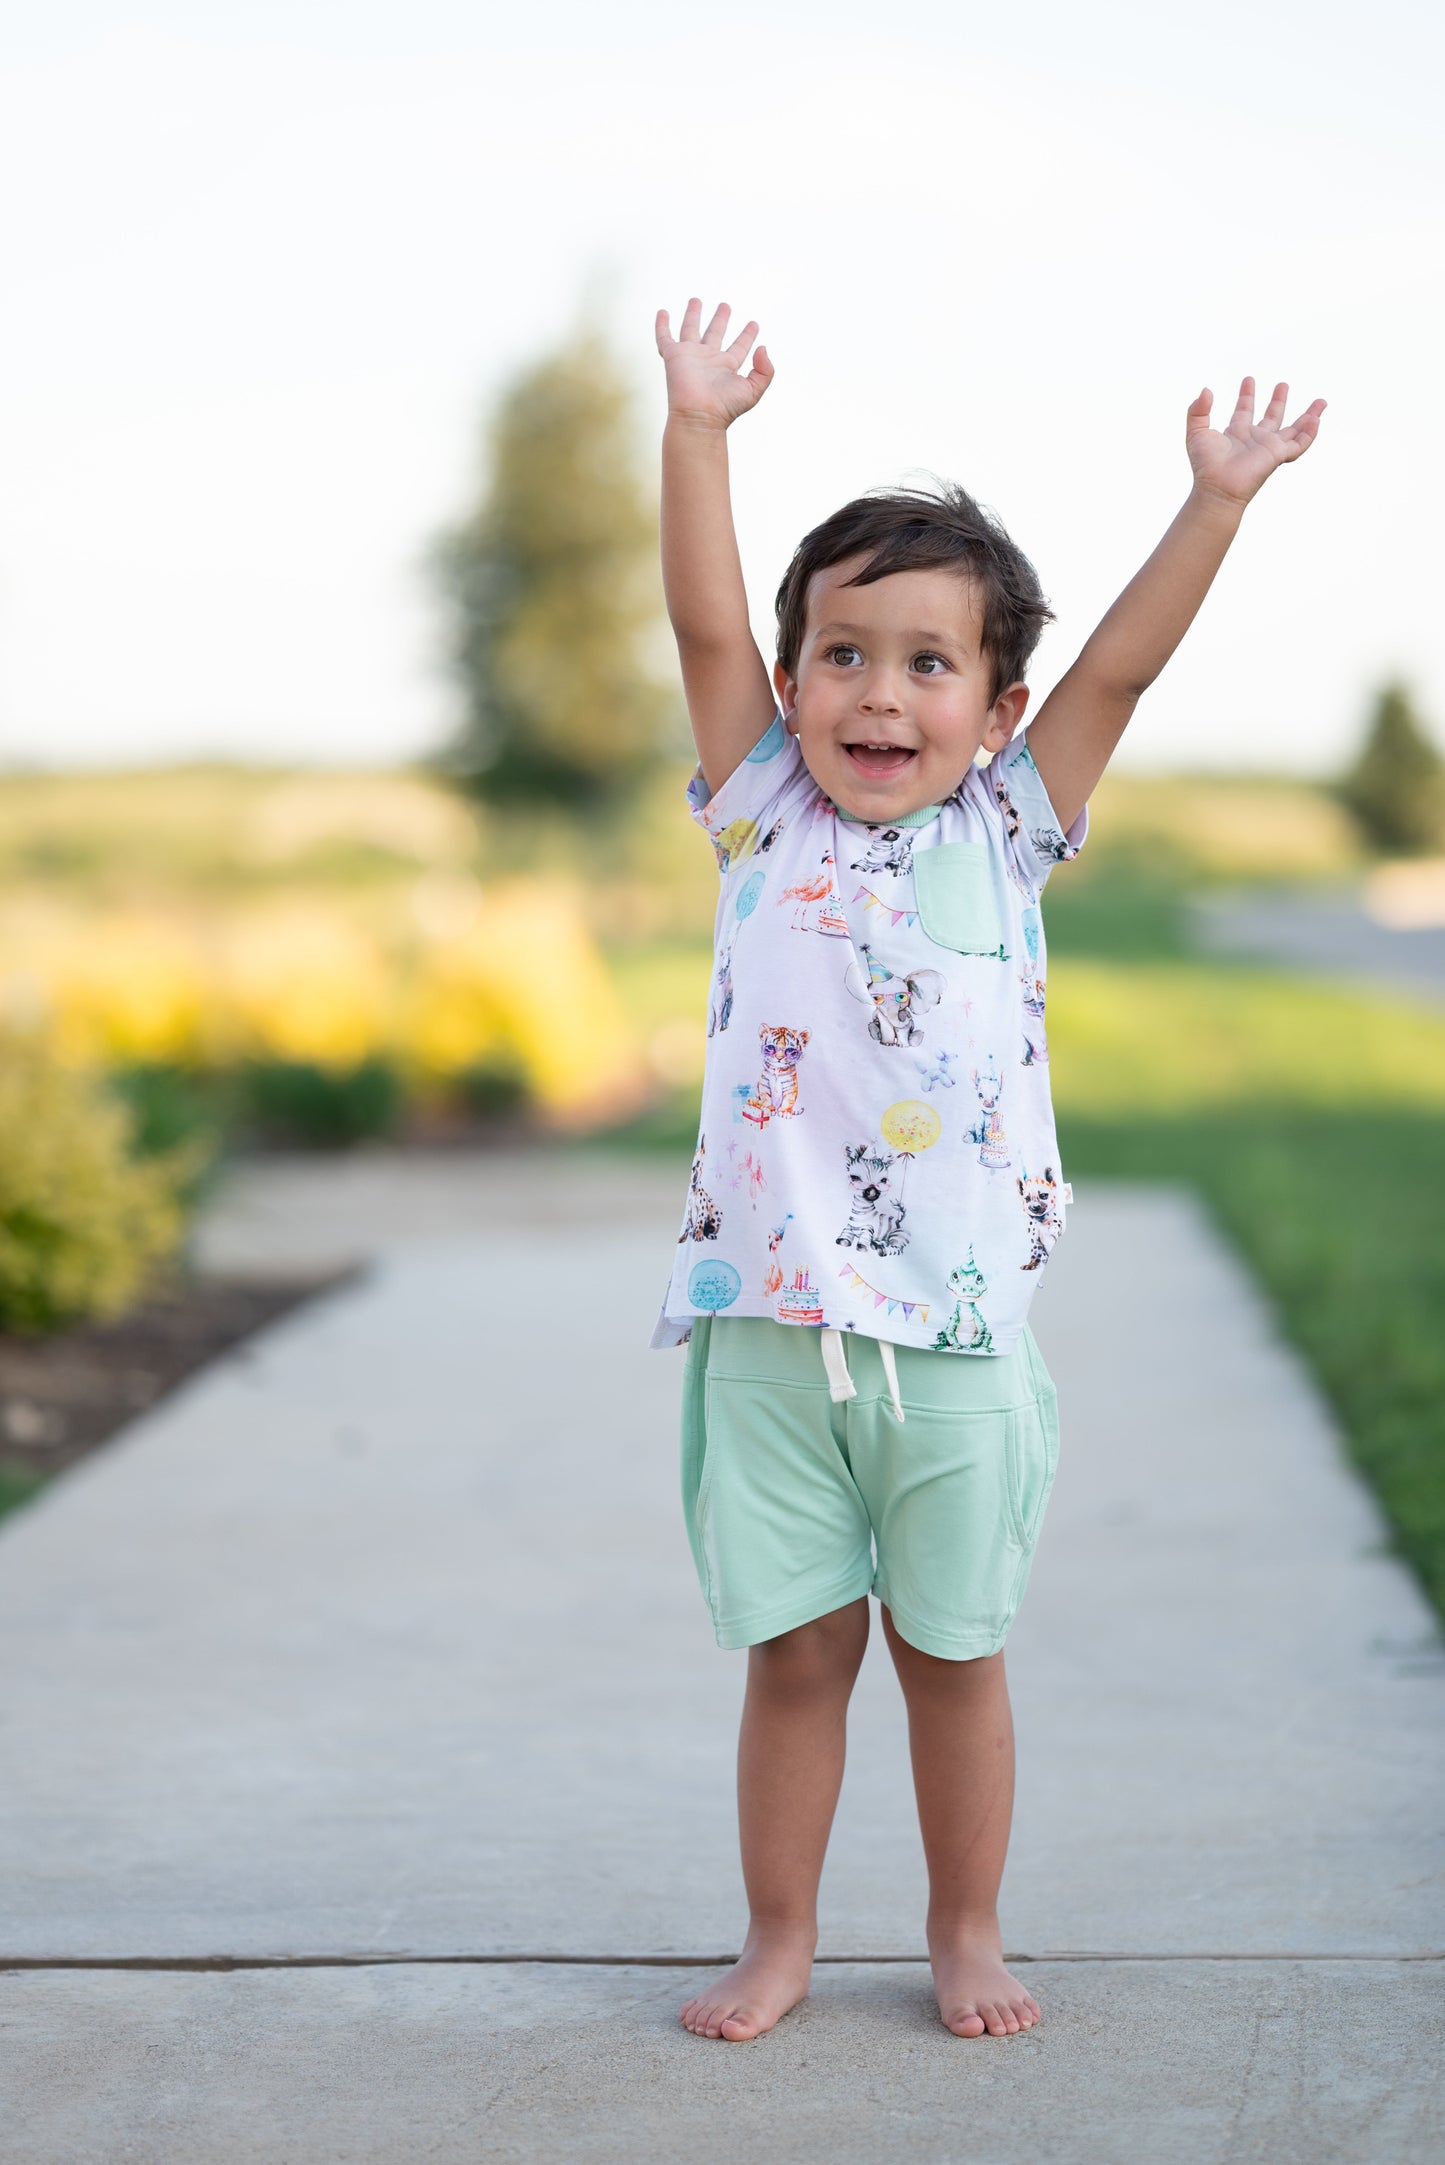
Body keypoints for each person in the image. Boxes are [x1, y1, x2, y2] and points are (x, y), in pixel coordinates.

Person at [652, 297, 1324, 2043]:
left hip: (956, 1345)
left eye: (927, 661)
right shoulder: (753, 807)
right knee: (794, 1658)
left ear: (992, 703)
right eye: (844, 653)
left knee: (953, 1654)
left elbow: (1118, 668)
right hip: (769, 1331)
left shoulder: (1006, 828)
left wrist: (1217, 501)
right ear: (795, 681)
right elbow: (702, 613)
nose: (880, 691)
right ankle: (780, 1936)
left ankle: (963, 1927)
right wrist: (697, 436)